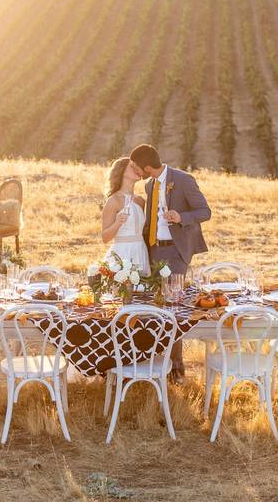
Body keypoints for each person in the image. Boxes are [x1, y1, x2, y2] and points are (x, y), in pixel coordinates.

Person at [129, 143, 211, 383]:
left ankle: (176, 369)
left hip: (176, 252)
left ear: (146, 166)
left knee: (173, 309)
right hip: (154, 251)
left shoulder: (183, 180)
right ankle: (155, 364)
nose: (135, 170)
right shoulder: (149, 184)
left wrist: (181, 217)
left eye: (136, 166)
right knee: (155, 308)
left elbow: (205, 211)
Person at [100, 157, 150, 275]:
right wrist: (117, 223)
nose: (137, 169)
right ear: (122, 172)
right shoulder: (113, 201)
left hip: (141, 251)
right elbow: (105, 238)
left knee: (143, 292)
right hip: (122, 254)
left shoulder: (140, 201)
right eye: (132, 166)